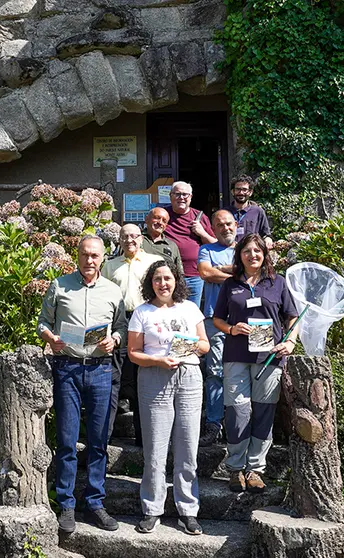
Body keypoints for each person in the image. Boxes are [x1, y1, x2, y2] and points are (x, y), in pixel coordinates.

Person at [37, 235, 127, 534]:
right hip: (68, 369)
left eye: (95, 256)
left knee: (99, 441)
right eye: (85, 255)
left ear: (103, 258)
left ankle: (95, 503)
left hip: (101, 370)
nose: (90, 260)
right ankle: (66, 504)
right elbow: (43, 323)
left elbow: (120, 327)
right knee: (66, 441)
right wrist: (51, 339)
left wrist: (114, 339)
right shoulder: (60, 285)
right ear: (77, 255)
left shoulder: (113, 291)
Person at [128, 259, 209, 536]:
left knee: (187, 445)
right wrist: (158, 361)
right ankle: (152, 509)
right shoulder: (142, 312)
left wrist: (189, 347)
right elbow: (133, 353)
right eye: (157, 279)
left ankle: (188, 509)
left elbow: (205, 345)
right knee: (155, 447)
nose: (163, 283)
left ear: (177, 281)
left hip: (188, 377)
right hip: (154, 377)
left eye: (168, 278)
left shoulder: (190, 308)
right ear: (150, 283)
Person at [212, 233, 299, 494]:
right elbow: (217, 319)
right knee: (237, 412)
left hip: (269, 358)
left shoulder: (278, 283)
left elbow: (292, 317)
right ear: (239, 255)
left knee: (263, 413)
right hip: (236, 356)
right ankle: (236, 468)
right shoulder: (230, 285)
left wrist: (291, 342)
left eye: (257, 251)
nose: (253, 255)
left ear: (265, 254)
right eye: (247, 251)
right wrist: (231, 329)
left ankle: (255, 470)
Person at [102, 224, 163, 446]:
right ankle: (104, 437)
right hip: (118, 321)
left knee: (142, 378)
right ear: (119, 239)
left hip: (145, 320)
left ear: (141, 238)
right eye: (125, 236)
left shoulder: (153, 263)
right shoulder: (109, 265)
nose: (130, 240)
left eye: (134, 236)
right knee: (114, 376)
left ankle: (143, 437)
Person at [196, 210, 237, 447]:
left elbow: (254, 272)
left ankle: (238, 423)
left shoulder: (246, 248)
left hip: (244, 320)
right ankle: (214, 424)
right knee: (215, 372)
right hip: (215, 319)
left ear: (236, 224)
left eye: (228, 223)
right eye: (219, 225)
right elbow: (205, 272)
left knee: (245, 371)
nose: (225, 228)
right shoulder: (207, 250)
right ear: (213, 228)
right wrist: (236, 271)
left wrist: (222, 271)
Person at [163, 181, 216, 307]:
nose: (181, 198)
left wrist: (202, 233)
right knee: (169, 313)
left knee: (192, 313)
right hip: (168, 275)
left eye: (185, 194)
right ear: (170, 196)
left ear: (191, 197)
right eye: (177, 194)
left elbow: (214, 245)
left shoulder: (200, 217)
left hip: (194, 276)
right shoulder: (163, 215)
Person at [229, 175, 273, 248]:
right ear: (233, 191)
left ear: (250, 192)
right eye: (238, 189)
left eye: (244, 189)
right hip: (229, 251)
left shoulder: (258, 211)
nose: (241, 192)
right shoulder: (225, 213)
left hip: (251, 253)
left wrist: (268, 239)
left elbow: (266, 234)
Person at [142, 207, 183, 272]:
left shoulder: (172, 246)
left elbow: (179, 273)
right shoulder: (136, 239)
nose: (160, 222)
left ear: (166, 225)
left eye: (164, 221)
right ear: (146, 219)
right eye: (157, 218)